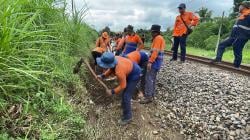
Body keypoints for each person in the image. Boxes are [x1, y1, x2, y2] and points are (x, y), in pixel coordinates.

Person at [96, 52, 141, 125]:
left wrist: (112, 91)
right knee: (125, 95)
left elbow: (123, 86)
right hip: (129, 68)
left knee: (126, 95)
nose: (103, 66)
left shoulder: (119, 72)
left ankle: (128, 117)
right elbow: (111, 69)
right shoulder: (114, 60)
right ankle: (124, 106)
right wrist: (102, 76)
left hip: (134, 74)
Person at [211, 1, 250, 68]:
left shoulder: (249, 15)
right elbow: (237, 26)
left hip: (241, 37)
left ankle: (236, 66)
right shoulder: (241, 15)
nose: (239, 7)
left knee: (237, 48)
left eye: (241, 6)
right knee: (222, 44)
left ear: (245, 7)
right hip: (233, 36)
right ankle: (218, 59)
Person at [140, 25, 166, 104]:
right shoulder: (159, 38)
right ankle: (152, 94)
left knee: (149, 79)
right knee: (153, 79)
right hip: (157, 62)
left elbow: (155, 51)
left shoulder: (158, 38)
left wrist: (150, 62)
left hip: (155, 62)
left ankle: (148, 97)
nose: (151, 33)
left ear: (155, 32)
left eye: (152, 32)